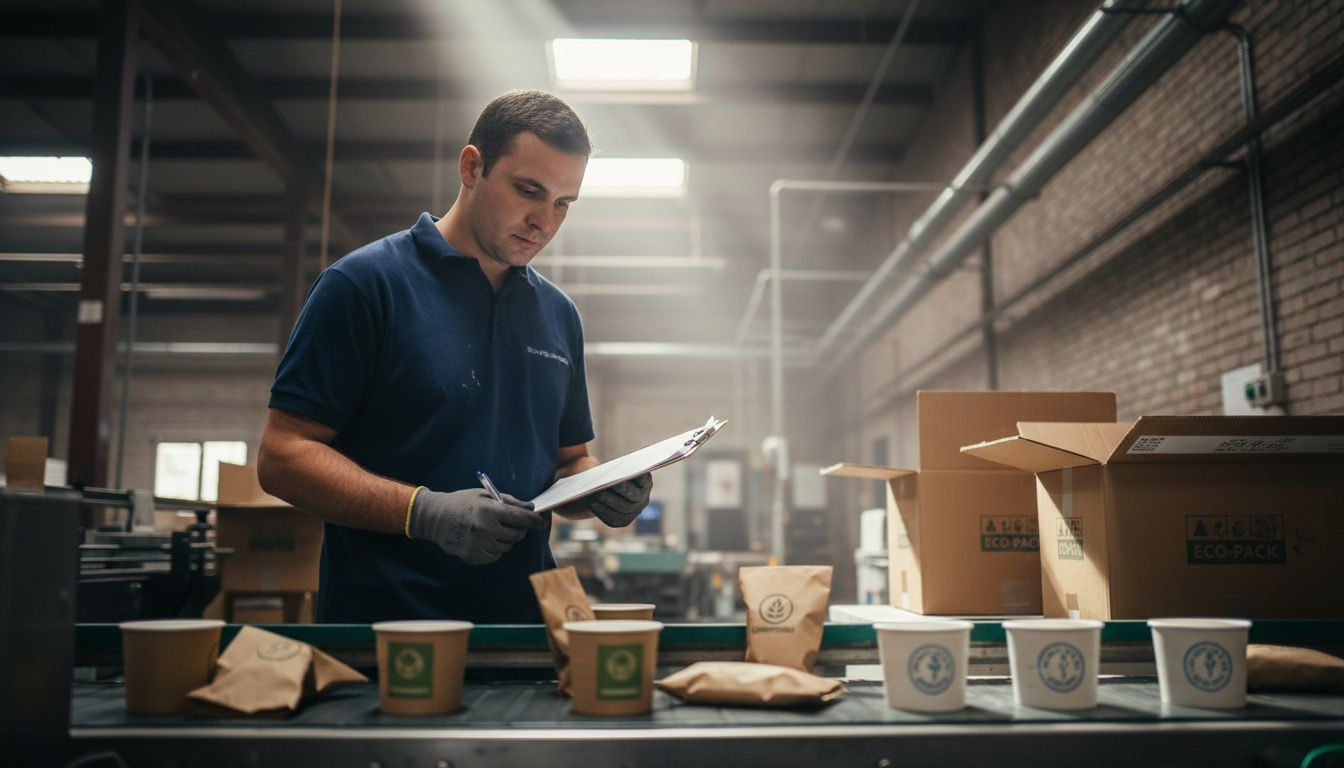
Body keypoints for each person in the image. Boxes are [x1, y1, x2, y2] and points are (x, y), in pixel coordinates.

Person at [257, 90, 653, 624]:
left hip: (523, 631)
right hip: (385, 630)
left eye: (563, 203)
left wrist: (601, 487)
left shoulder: (559, 315)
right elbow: (284, 456)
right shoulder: (365, 285)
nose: (544, 221)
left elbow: (568, 462)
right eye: (528, 191)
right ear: (472, 167)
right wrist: (422, 513)